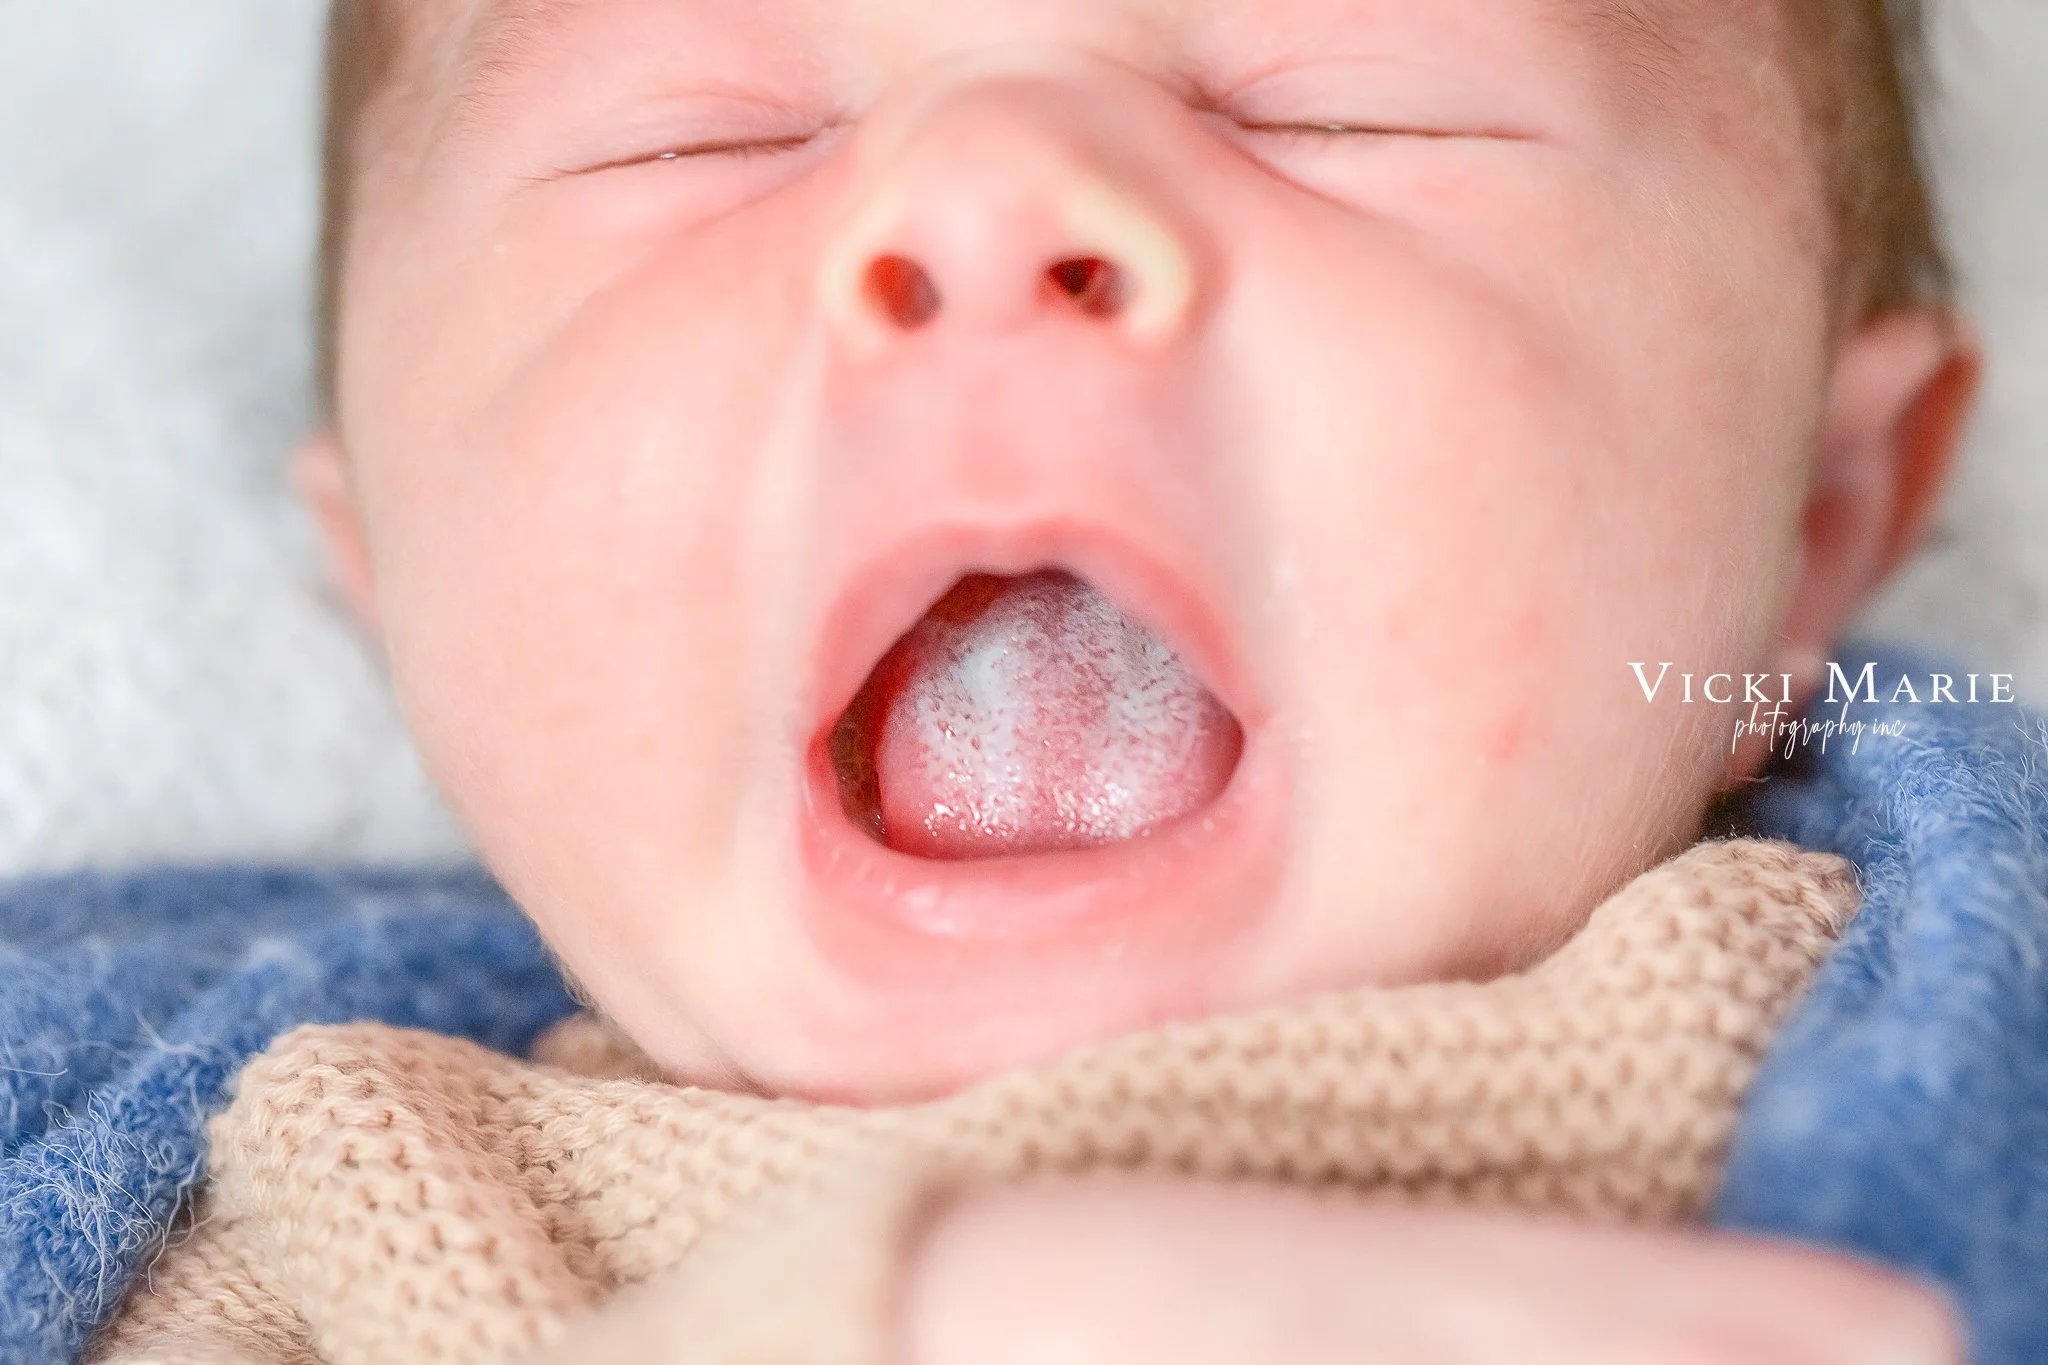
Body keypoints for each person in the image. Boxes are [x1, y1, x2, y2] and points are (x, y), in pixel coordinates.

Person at [13, 0, 2025, 1360]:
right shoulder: (251, 1193)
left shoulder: (1953, 1023)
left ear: (1812, 526)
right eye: (704, 135)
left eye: (1336, 100)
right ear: (391, 579)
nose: (987, 201)